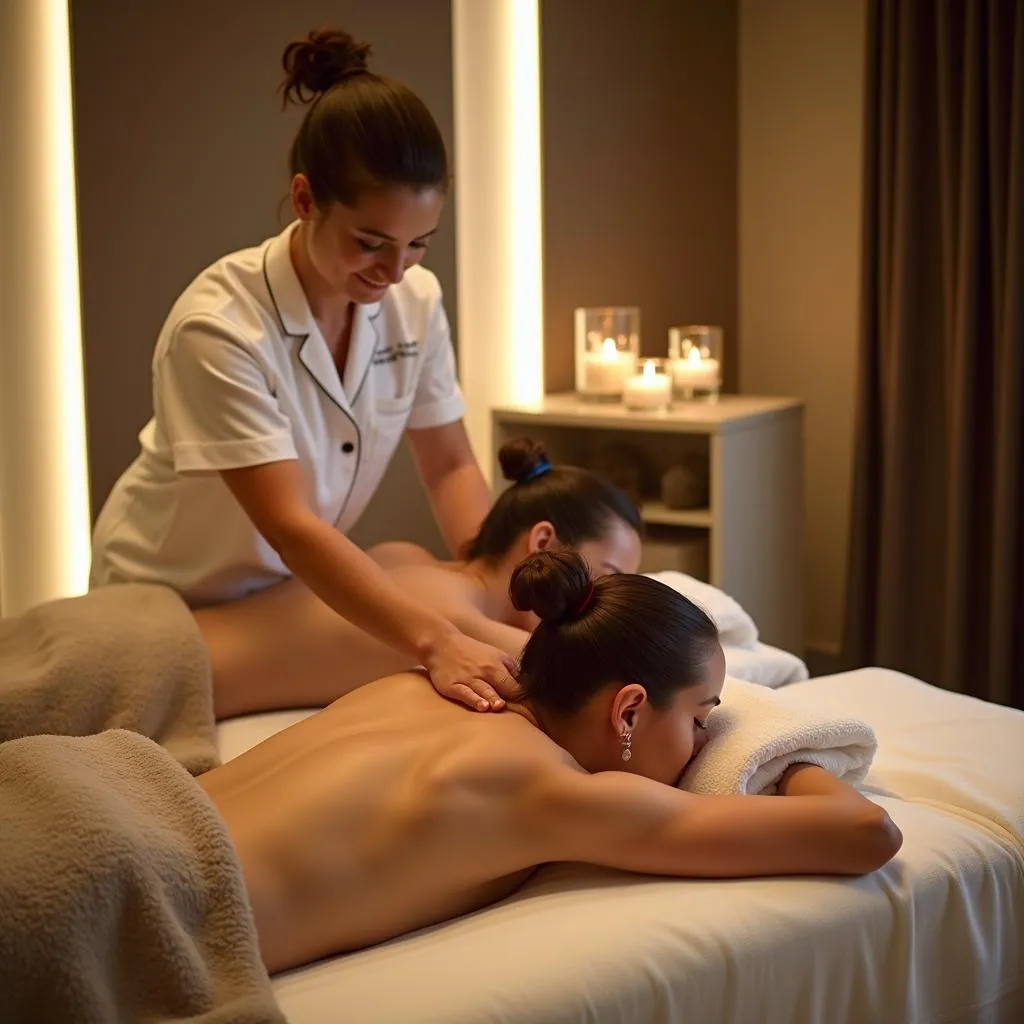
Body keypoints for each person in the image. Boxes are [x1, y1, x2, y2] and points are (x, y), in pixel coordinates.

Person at [199, 551, 904, 975]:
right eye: (699, 716)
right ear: (628, 711)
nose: (705, 739)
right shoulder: (552, 791)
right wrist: (788, 750)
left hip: (135, 800)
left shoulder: (418, 687)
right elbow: (866, 834)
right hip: (154, 901)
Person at [89, 28, 517, 712]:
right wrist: (437, 642)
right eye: (370, 243)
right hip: (172, 605)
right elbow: (292, 527)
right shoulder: (220, 327)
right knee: (426, 631)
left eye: (417, 246)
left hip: (289, 589)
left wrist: (507, 583)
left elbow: (449, 465)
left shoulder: (415, 299)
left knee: (422, 571)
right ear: (304, 199)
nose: (393, 271)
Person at [197, 437, 644, 718]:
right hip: (169, 671)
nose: (599, 600)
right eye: (604, 577)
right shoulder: (455, 626)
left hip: (175, 621)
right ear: (543, 542)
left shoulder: (407, 557)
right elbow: (607, 676)